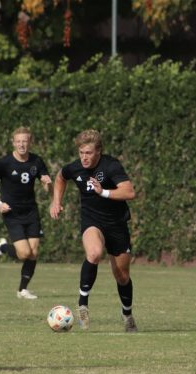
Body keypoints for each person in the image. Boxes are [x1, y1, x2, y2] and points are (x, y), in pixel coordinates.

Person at [50, 129, 138, 332]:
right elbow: (61, 178)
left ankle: (127, 314)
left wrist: (103, 192)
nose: (84, 157)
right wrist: (56, 201)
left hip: (116, 224)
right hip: (92, 221)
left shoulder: (111, 166)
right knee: (94, 253)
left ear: (99, 151)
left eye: (88, 153)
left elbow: (129, 191)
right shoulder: (75, 168)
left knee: (122, 276)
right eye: (81, 152)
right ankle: (83, 305)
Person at [0, 127, 52, 300]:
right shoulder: (4, 163)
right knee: (24, 254)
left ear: (30, 142)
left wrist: (48, 184)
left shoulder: (37, 161)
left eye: (25, 141)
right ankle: (3, 247)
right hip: (12, 213)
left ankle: (22, 290)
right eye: (18, 141)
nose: (22, 144)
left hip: (31, 211)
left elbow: (46, 186)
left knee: (34, 252)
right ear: (13, 142)